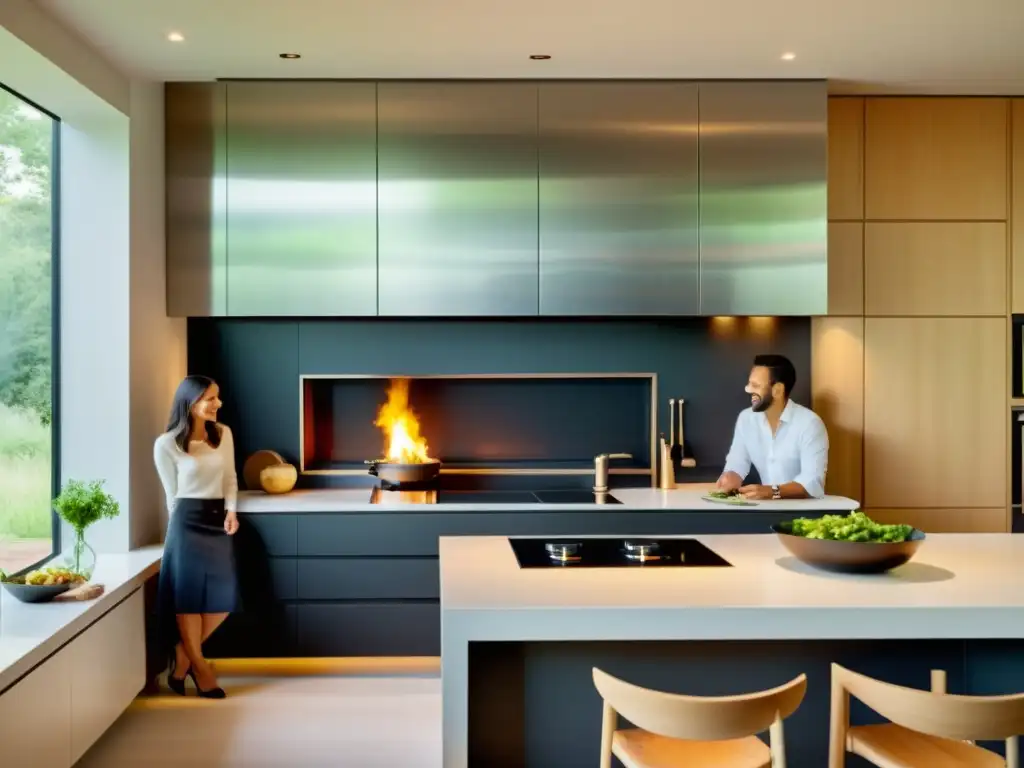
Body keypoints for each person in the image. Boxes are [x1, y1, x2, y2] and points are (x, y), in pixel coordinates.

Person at [154, 375, 240, 699]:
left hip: (217, 519)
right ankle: (201, 669)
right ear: (190, 403)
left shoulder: (223, 435)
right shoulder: (166, 445)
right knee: (187, 600)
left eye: (217, 397)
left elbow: (230, 478)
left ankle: (182, 659)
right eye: (210, 399)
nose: (217, 404)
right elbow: (171, 497)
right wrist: (173, 540)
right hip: (186, 522)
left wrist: (231, 511)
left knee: (224, 599)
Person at [716, 354, 828, 501]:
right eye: (749, 384)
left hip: (805, 514)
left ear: (778, 390)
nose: (748, 390)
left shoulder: (810, 424)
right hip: (767, 508)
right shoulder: (746, 419)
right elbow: (737, 462)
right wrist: (731, 476)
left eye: (756, 386)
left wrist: (772, 491)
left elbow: (812, 482)